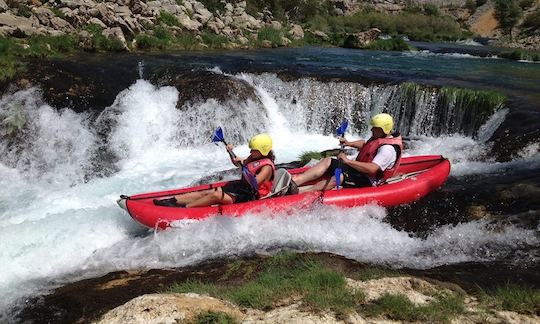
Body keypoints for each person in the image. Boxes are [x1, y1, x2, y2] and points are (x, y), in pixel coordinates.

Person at [154, 133, 275, 207]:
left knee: (217, 195)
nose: (250, 151)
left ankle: (185, 209)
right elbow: (238, 164)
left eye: (253, 150)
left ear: (263, 150)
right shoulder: (253, 158)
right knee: (209, 191)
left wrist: (244, 169)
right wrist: (230, 152)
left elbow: (254, 183)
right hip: (240, 188)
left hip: (250, 195)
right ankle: (172, 201)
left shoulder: (267, 167)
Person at [292, 113, 402, 192]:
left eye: (375, 128)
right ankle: (296, 181)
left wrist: (347, 161)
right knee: (328, 160)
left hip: (368, 180)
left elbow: (372, 169)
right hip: (359, 172)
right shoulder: (379, 137)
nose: (372, 130)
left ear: (384, 129)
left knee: (338, 176)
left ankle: (302, 191)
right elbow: (366, 145)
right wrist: (349, 143)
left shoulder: (387, 149)